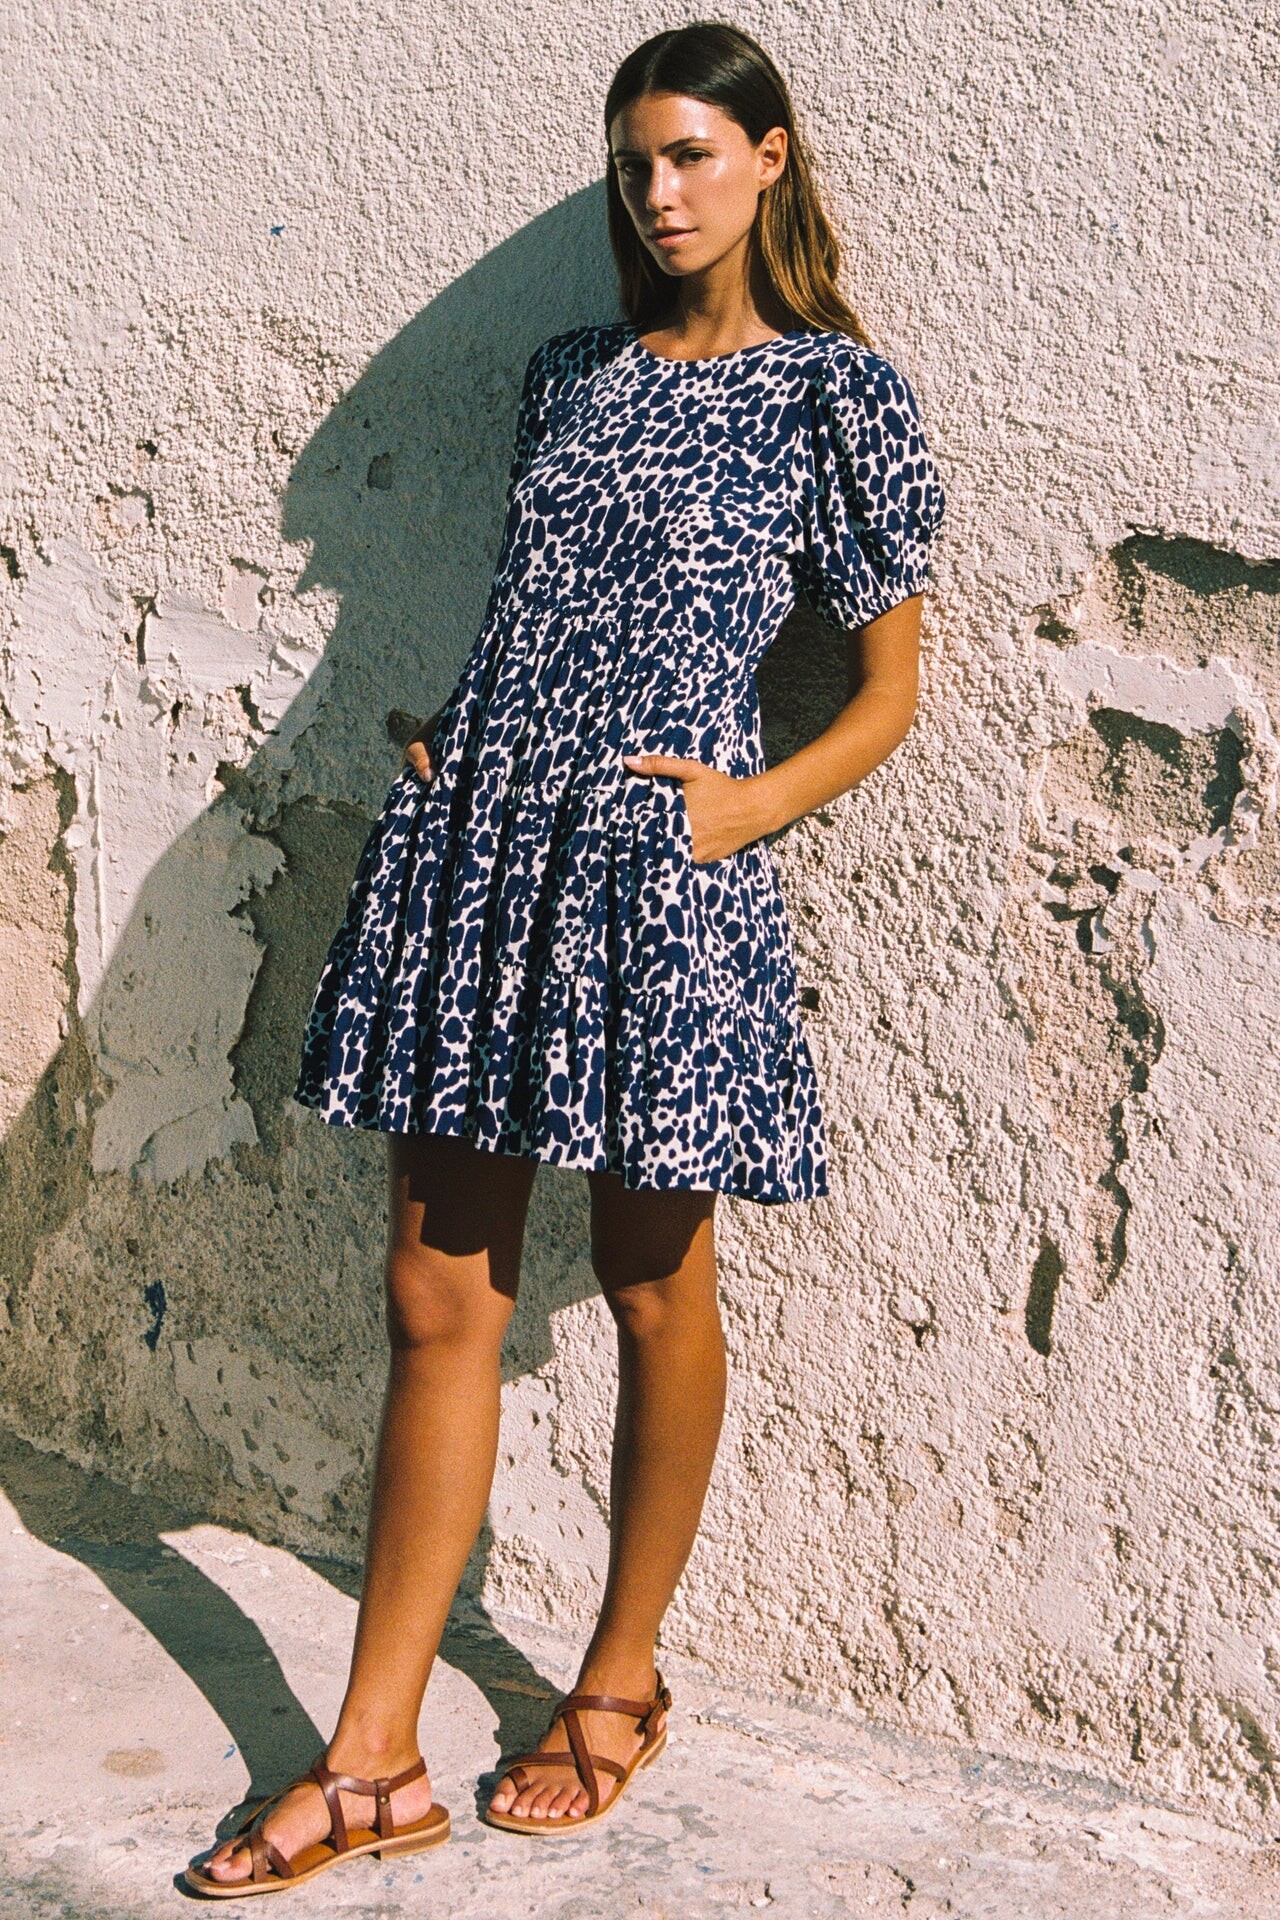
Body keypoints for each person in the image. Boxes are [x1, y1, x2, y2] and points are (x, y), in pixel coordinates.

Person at [182, 17, 945, 1896]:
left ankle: (617, 1675)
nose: (659, 194)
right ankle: (372, 1757)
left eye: (691, 154)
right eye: (633, 164)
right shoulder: (568, 376)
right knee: (436, 1290)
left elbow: (889, 691)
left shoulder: (838, 395)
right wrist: (456, 735)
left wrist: (742, 812)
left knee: (651, 1275)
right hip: (484, 850)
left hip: (657, 872)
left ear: (770, 158)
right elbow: (542, 602)